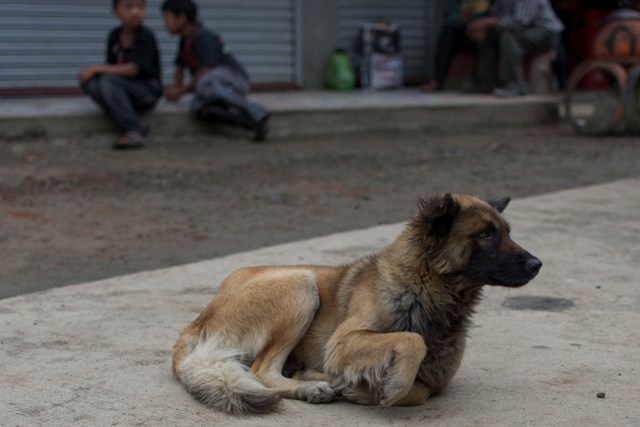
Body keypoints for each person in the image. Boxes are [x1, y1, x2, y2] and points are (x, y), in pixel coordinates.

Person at [161, 0, 270, 141]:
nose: (165, 23)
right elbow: (179, 67)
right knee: (198, 108)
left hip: (233, 78)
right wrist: (175, 89)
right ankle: (249, 124)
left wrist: (181, 91)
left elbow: (204, 71)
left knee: (204, 83)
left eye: (167, 17)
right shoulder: (184, 41)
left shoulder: (202, 36)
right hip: (213, 86)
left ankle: (255, 110)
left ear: (181, 18)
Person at [79, 0, 162, 149]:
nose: (135, 12)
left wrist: (95, 68)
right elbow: (112, 67)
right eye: (129, 7)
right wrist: (91, 73)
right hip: (122, 90)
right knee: (92, 83)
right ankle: (134, 122)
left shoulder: (146, 36)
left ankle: (134, 130)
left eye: (140, 7)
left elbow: (132, 69)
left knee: (107, 80)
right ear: (115, 11)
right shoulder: (114, 36)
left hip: (146, 91)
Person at [466, 0, 564, 97]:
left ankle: (514, 84)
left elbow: (520, 21)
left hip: (545, 34)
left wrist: (488, 23)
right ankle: (485, 83)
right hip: (520, 31)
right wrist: (481, 27)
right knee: (490, 34)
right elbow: (496, 17)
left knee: (509, 37)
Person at [422, 0, 491, 92]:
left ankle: (481, 82)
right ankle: (437, 80)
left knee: (487, 40)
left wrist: (480, 24)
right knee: (447, 35)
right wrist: (466, 21)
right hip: (460, 30)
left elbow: (495, 15)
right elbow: (450, 17)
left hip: (482, 29)